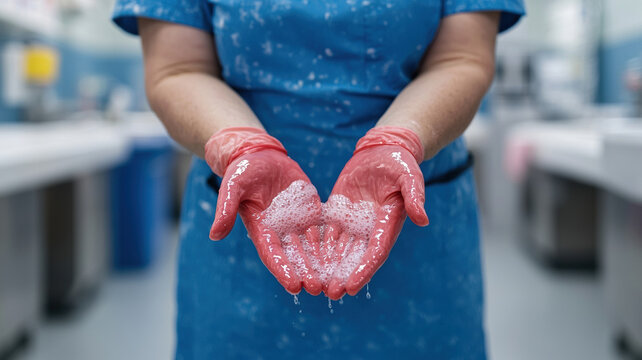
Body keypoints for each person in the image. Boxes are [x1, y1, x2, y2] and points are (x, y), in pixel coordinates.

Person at [113, 0, 524, 358]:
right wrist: (242, 147)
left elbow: (462, 58)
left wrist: (399, 139)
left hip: (417, 241)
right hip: (245, 236)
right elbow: (178, 69)